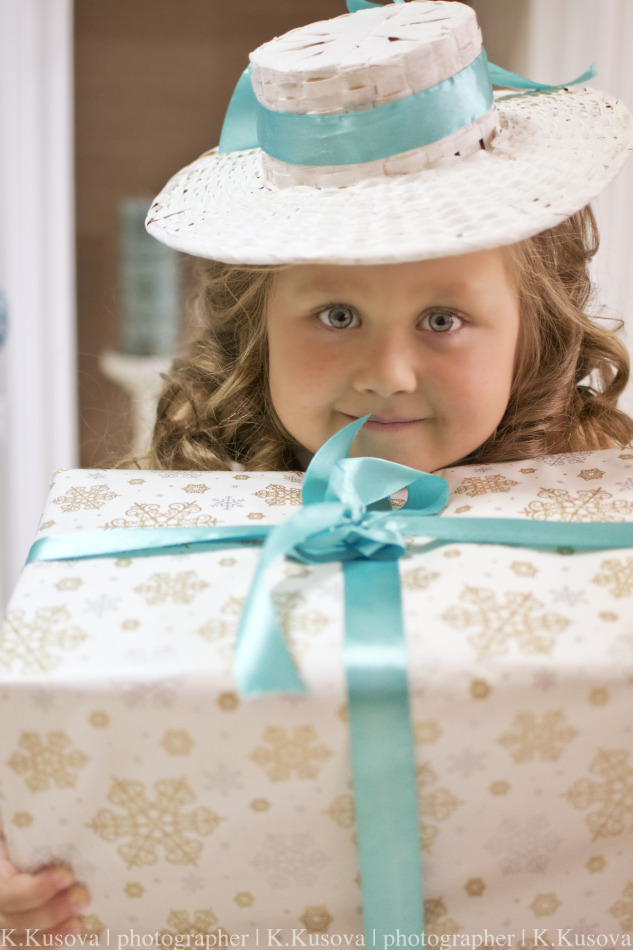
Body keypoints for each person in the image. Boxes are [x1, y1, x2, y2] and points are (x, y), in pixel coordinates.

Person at [2, 0, 632, 940]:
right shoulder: (155, 533)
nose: (386, 372)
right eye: (335, 315)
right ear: (256, 330)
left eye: (442, 319)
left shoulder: (602, 509)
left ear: (530, 330)